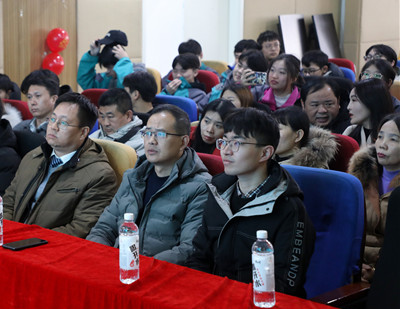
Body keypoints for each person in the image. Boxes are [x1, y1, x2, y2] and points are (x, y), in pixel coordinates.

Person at [185, 108, 316, 297]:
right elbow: (198, 255)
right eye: (225, 141)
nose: (226, 151)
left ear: (265, 153)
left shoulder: (289, 209)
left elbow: (285, 284)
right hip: (212, 297)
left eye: (237, 143)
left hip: (259, 305)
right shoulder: (218, 192)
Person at [87, 104, 211, 265]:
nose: (151, 141)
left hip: (158, 272)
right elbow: (103, 228)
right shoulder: (133, 177)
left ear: (183, 142)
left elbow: (188, 249)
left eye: (161, 134)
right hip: (116, 265)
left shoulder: (200, 187)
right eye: (147, 133)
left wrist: (137, 267)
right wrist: (99, 257)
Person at [3, 93, 118, 238]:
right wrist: (5, 231)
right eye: (52, 119)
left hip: (47, 245)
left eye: (63, 123)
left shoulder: (99, 175)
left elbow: (81, 228)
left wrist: (29, 239)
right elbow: (9, 201)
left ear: (83, 132)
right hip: (11, 238)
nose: (53, 127)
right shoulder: (34, 156)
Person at [348, 113, 400, 282]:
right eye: (380, 136)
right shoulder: (359, 176)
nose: (382, 145)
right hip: (355, 265)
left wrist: (378, 271)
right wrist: (353, 263)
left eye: (393, 139)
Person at [273, 106, 338, 169]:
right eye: (271, 128)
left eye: (278, 128)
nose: (270, 134)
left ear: (298, 135)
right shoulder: (269, 161)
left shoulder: (312, 169)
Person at [77, 30, 143, 90]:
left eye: (110, 68)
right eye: (107, 68)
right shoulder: (105, 78)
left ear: (119, 64)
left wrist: (123, 62)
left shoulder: (139, 75)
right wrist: (91, 56)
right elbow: (85, 82)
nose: (108, 71)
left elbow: (128, 88)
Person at [90, 88, 145, 157]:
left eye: (110, 117)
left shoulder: (141, 144)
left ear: (128, 115)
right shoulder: (92, 139)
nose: (105, 123)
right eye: (102, 116)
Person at [343, 79, 394, 149]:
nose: (348, 107)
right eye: (350, 100)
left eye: (354, 100)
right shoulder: (350, 131)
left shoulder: (391, 136)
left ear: (372, 101)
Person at [13, 69, 60, 137]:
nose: (32, 102)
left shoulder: (60, 131)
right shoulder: (19, 129)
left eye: (38, 96)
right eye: (29, 97)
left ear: (53, 99)